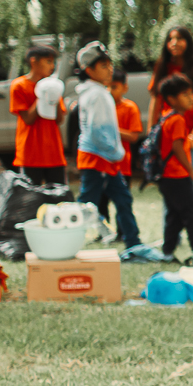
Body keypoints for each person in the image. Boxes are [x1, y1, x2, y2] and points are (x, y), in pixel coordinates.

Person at [73, 43, 140, 254]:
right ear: (89, 70)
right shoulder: (97, 94)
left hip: (103, 157)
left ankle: (134, 243)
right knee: (86, 205)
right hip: (98, 157)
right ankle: (67, 240)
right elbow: (96, 130)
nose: (110, 69)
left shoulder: (96, 92)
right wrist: (114, 151)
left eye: (110, 64)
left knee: (122, 199)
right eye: (103, 66)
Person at [147, 26, 193, 215]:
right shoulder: (163, 67)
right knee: (171, 185)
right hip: (170, 139)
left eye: (179, 39)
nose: (174, 43)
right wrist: (151, 132)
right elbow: (155, 101)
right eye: (170, 39)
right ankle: (171, 229)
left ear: (188, 42)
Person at [155, 73, 193, 259]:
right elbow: (176, 147)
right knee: (192, 213)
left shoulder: (167, 117)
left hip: (167, 177)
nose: (191, 98)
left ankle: (168, 252)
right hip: (177, 175)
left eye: (191, 93)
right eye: (185, 94)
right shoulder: (177, 120)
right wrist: (190, 169)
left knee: (174, 215)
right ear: (171, 99)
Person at [9, 45, 67, 186]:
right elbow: (28, 119)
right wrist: (41, 93)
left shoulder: (52, 86)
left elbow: (59, 119)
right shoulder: (19, 85)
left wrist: (54, 94)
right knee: (30, 195)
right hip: (31, 154)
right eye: (48, 61)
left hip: (53, 153)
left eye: (53, 62)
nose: (52, 66)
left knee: (58, 194)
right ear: (33, 61)